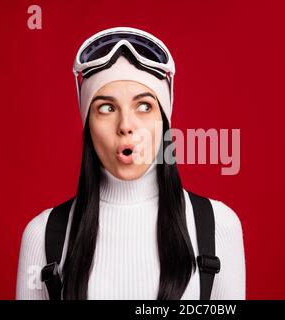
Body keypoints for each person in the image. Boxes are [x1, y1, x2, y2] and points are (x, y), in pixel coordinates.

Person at [16, 26, 245, 300]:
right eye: (106, 108)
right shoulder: (42, 235)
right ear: (88, 124)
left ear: (164, 121)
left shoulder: (218, 226)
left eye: (144, 106)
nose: (126, 125)